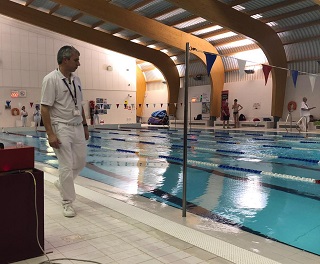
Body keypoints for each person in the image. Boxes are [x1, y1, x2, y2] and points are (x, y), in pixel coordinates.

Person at [41, 45, 89, 217]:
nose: (79, 63)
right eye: (76, 60)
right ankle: (67, 202)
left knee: (81, 162)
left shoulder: (76, 79)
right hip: (61, 127)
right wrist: (50, 134)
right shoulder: (51, 79)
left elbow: (80, 104)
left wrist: (85, 125)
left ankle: (62, 183)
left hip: (77, 126)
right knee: (66, 166)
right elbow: (45, 108)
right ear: (65, 59)